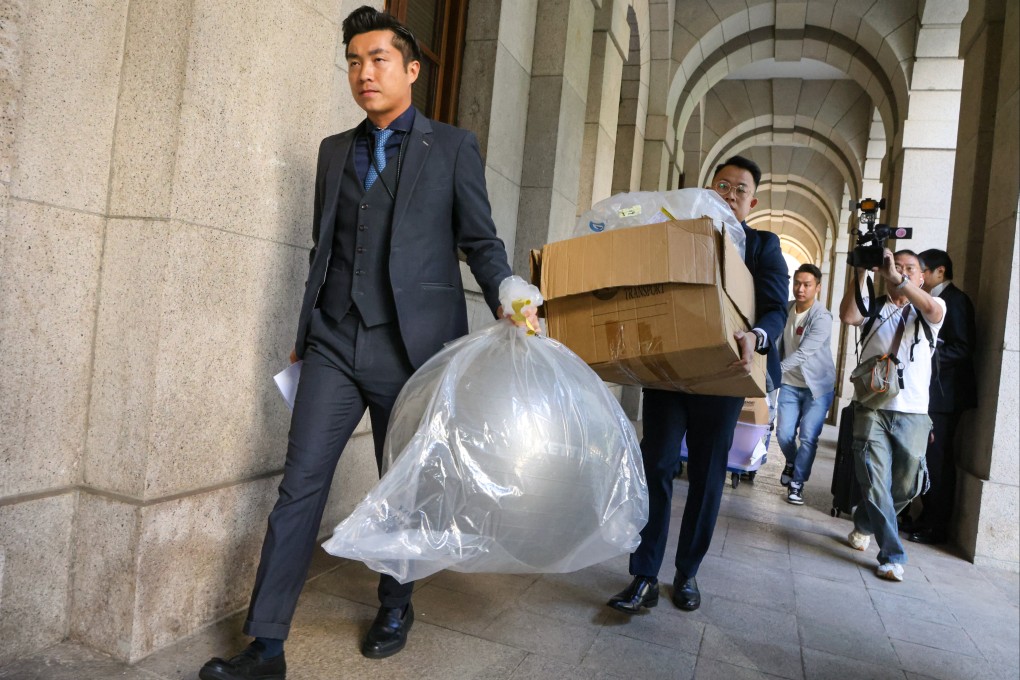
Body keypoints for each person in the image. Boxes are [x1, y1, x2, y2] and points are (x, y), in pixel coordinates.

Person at [199, 7, 528, 679]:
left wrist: (508, 291)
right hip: (333, 345)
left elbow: (481, 242)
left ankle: (396, 603)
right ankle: (265, 645)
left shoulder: (453, 148)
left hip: (413, 351)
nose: (364, 72)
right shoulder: (333, 151)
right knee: (299, 487)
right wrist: (303, 333)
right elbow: (325, 251)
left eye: (378, 59)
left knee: (403, 486)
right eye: (353, 60)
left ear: (411, 70)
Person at [607, 155, 788, 614]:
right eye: (722, 185)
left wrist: (756, 335)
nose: (730, 194)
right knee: (658, 465)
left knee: (708, 477)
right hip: (671, 375)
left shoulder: (763, 246)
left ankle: (687, 573)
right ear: (709, 188)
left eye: (739, 189)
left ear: (753, 200)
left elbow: (774, 310)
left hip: (724, 377)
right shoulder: (678, 230)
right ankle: (644, 575)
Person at [839, 249, 945, 582]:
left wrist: (899, 281)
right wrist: (861, 273)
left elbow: (930, 308)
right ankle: (891, 554)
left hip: (913, 413)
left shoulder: (932, 309)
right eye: (895, 266)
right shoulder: (873, 306)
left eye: (909, 269)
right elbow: (847, 316)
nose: (900, 272)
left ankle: (865, 522)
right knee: (874, 482)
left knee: (906, 488)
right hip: (871, 408)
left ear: (922, 276)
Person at [906, 249, 977, 544]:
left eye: (924, 270)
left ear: (940, 273)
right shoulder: (935, 299)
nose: (920, 277)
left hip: (946, 398)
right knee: (927, 459)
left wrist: (927, 354)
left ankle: (936, 525)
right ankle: (926, 517)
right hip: (932, 394)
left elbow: (962, 347)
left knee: (938, 461)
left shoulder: (956, 301)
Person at [776, 264, 836, 505]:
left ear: (817, 288)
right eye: (797, 283)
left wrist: (773, 370)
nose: (800, 289)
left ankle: (797, 483)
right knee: (784, 435)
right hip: (790, 384)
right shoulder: (787, 309)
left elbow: (804, 353)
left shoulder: (823, 317)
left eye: (807, 285)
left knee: (809, 437)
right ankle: (792, 461)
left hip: (817, 388)